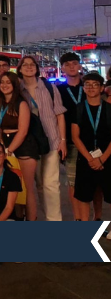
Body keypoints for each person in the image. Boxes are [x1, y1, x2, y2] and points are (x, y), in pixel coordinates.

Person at [19, 55, 65, 221]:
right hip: (30, 143)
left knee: (51, 184)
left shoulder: (49, 87)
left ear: (37, 68)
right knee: (38, 185)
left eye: (32, 65)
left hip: (51, 140)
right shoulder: (18, 88)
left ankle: (55, 221)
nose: (29, 67)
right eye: (25, 65)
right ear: (20, 68)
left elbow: (59, 115)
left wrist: (63, 141)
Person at [0, 71, 38, 221]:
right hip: (5, 146)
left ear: (15, 85)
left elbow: (23, 130)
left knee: (27, 188)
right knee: (13, 187)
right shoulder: (0, 104)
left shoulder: (22, 103)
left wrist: (9, 150)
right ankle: (19, 219)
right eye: (2, 82)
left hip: (23, 147)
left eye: (8, 82)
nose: (5, 85)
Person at [57, 52, 93, 221]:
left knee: (94, 182)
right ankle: (78, 219)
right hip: (70, 142)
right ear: (62, 68)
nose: (71, 66)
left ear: (80, 65)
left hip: (91, 141)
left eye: (74, 63)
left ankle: (97, 218)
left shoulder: (89, 87)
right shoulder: (58, 90)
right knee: (73, 182)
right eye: (67, 64)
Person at [71, 72, 111, 221]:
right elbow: (75, 136)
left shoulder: (108, 109)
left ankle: (100, 220)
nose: (91, 87)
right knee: (84, 195)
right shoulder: (78, 109)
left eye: (95, 85)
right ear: (84, 88)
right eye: (88, 84)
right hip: (85, 158)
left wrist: (101, 159)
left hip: (107, 157)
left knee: (108, 192)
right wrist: (90, 159)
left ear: (101, 88)